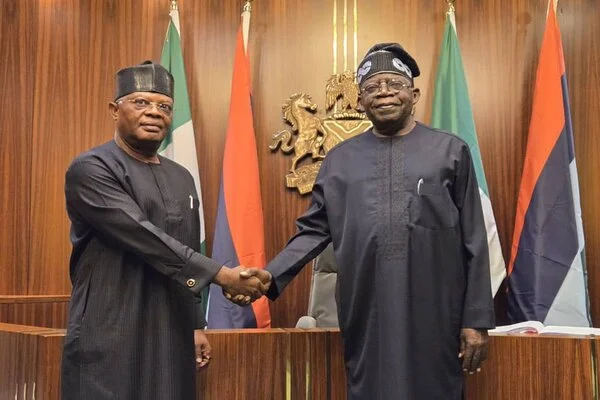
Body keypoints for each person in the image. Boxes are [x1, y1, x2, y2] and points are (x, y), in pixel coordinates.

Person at [255, 43, 495, 399]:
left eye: (394, 84)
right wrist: (270, 275)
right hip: (366, 311)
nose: (383, 92)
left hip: (436, 311)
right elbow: (314, 230)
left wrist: (476, 320)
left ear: (414, 94)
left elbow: (474, 240)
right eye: (371, 87)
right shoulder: (339, 161)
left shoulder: (450, 152)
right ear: (361, 101)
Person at [60, 61, 271, 400]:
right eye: (141, 102)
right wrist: (222, 276)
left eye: (165, 106)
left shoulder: (181, 177)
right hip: (111, 324)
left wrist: (195, 324)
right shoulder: (91, 168)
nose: (154, 112)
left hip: (171, 328)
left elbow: (187, 248)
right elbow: (142, 235)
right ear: (115, 110)